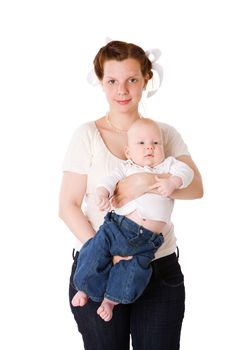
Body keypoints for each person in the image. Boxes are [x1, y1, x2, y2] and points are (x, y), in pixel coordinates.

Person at [59, 40, 203, 350]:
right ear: (101, 82)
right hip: (98, 263)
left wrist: (144, 181)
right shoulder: (87, 135)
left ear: (146, 80)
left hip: (156, 268)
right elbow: (68, 206)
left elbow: (196, 188)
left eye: (132, 80)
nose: (122, 90)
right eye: (112, 81)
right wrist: (107, 254)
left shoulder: (162, 135)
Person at [71, 118, 194, 322]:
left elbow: (187, 172)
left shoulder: (169, 166)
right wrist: (102, 193)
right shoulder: (126, 168)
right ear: (128, 152)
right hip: (118, 228)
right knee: (94, 251)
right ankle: (84, 288)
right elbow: (108, 181)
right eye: (142, 143)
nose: (150, 148)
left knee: (134, 271)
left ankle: (111, 300)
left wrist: (173, 182)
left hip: (148, 241)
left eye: (156, 143)